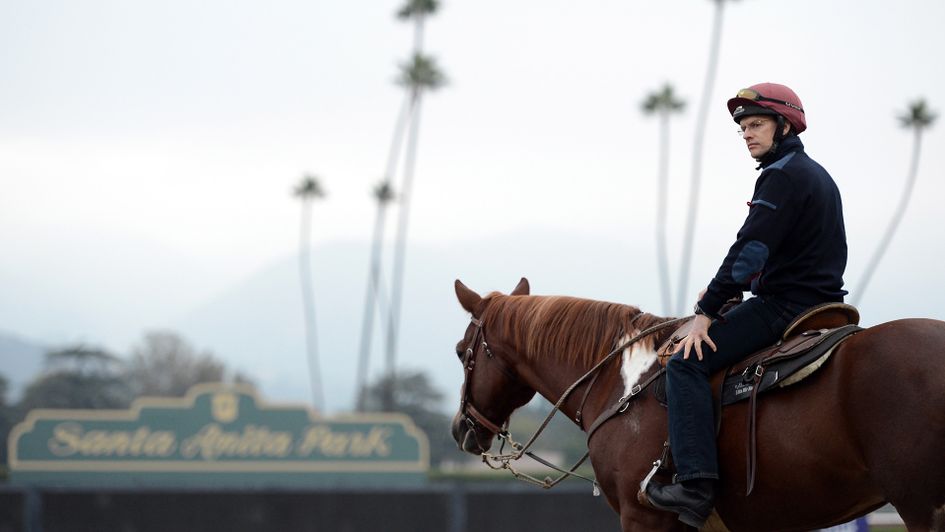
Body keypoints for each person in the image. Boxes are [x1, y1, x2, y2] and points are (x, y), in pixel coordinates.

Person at [643, 83, 848, 528]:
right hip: (821, 300)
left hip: (786, 307)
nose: (747, 134)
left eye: (756, 124)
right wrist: (740, 288)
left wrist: (707, 312)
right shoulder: (812, 173)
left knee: (685, 364)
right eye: (743, 128)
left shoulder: (782, 176)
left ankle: (695, 485)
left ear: (785, 125)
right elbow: (791, 254)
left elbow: (751, 249)